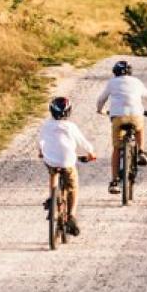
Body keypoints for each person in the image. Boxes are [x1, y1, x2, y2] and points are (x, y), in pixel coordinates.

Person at [95, 60, 147, 195]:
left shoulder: (112, 83)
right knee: (139, 128)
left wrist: (100, 110)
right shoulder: (137, 82)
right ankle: (141, 151)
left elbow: (101, 99)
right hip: (136, 115)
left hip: (118, 117)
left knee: (116, 148)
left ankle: (114, 181)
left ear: (115, 73)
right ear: (130, 72)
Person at [37, 97, 97, 236]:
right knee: (73, 186)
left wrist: (41, 152)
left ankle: (53, 196)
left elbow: (41, 142)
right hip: (68, 161)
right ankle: (71, 216)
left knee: (53, 171)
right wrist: (91, 153)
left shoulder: (46, 125)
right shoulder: (71, 126)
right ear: (69, 112)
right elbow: (82, 142)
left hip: (50, 160)